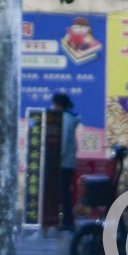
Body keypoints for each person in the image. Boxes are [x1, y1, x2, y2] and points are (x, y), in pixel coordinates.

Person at [51, 92, 80, 232]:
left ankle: (67, 221)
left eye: (54, 103)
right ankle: (66, 220)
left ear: (58, 104)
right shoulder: (68, 118)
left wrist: (56, 157)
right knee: (64, 192)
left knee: (63, 193)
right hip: (67, 162)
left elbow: (63, 141)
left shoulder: (65, 119)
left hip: (63, 163)